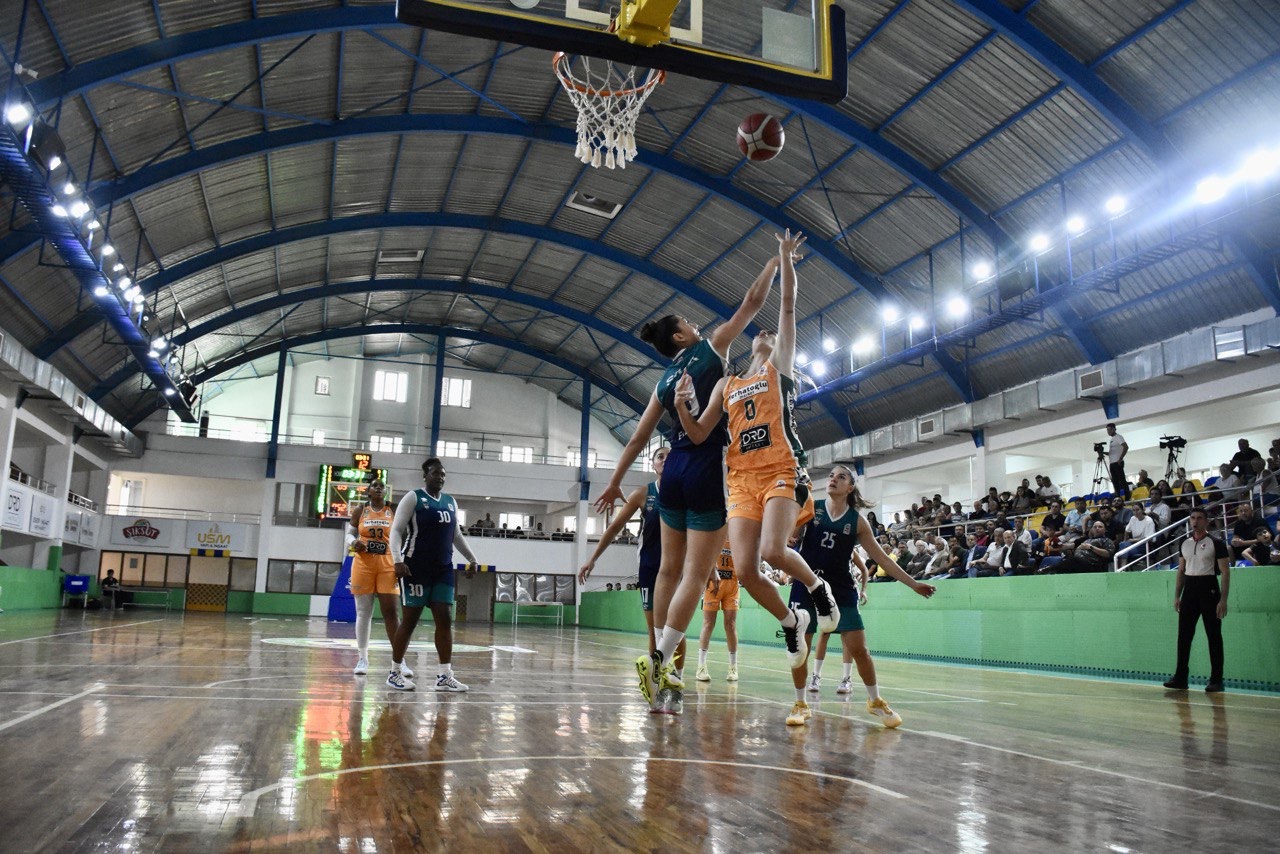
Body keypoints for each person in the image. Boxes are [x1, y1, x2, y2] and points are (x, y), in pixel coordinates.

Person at [593, 237, 782, 711]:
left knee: (667, 572)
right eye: (690, 323)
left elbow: (638, 440)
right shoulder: (710, 349)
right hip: (705, 464)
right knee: (696, 577)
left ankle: (657, 672)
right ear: (681, 336)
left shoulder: (662, 381)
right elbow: (752, 302)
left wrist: (616, 480)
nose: (699, 325)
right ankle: (658, 662)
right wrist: (775, 260)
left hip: (670, 469)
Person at [667, 229, 840, 698]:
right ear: (749, 345)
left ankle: (816, 588)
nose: (765, 333)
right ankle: (792, 620)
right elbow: (700, 433)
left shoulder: (777, 367)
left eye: (769, 334)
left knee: (771, 553)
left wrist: (785, 261)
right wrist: (683, 405)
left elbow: (785, 308)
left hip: (781, 467)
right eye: (759, 334)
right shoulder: (725, 384)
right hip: (740, 478)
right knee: (745, 570)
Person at [787, 465, 936, 727]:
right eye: (831, 475)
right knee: (801, 648)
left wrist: (913, 584)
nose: (833, 479)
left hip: (841, 589)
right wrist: (790, 533)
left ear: (850, 487)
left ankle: (874, 700)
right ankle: (800, 703)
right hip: (806, 584)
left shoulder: (857, 520)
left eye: (841, 477)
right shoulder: (811, 507)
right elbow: (790, 534)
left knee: (860, 650)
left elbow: (881, 559)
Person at [579, 445, 688, 711]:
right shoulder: (644, 494)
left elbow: (702, 534)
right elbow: (615, 527)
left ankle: (676, 681)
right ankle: (658, 684)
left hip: (678, 569)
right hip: (650, 569)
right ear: (653, 465)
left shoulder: (687, 493)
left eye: (669, 456)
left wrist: (710, 570)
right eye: (659, 456)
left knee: (674, 629)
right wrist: (593, 558)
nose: (665, 459)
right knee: (655, 630)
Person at [387, 458, 479, 692]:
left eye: (443, 474)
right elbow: (396, 531)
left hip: (443, 569)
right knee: (410, 621)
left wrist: (472, 558)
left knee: (445, 620)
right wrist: (397, 560)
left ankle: (445, 675)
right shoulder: (413, 498)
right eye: (436, 473)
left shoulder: (450, 502)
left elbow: (456, 535)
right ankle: (395, 672)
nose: (440, 477)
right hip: (414, 568)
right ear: (425, 476)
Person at [1163, 507, 1230, 692]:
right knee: (1183, 636)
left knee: (1213, 636)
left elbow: (1225, 572)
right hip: (1190, 591)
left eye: (1200, 518)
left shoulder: (1216, 543)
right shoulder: (1184, 543)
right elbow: (1181, 571)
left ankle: (1216, 679)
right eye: (1192, 518)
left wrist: (1223, 600)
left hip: (1209, 589)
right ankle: (1180, 678)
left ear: (1206, 521)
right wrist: (1177, 595)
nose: (1195, 521)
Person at [346, 479, 402, 678]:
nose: (379, 488)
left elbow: (404, 532)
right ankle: (362, 658)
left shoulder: (393, 510)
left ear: (385, 492)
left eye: (382, 486)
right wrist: (353, 542)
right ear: (368, 491)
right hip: (363, 564)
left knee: (392, 613)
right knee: (363, 612)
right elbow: (350, 533)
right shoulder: (360, 510)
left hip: (388, 563)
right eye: (375, 485)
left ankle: (399, 660)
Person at [695, 539, 740, 684]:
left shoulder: (737, 533)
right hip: (713, 582)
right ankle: (701, 666)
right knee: (708, 624)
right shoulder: (715, 530)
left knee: (731, 624)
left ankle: (733, 667)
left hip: (732, 584)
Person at [1049, 520, 1115, 573]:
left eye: (1100, 527)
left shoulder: (1107, 540)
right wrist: (1059, 547)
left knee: (1071, 562)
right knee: (1067, 561)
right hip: (1078, 563)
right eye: (1095, 527)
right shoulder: (1087, 539)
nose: (1097, 528)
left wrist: (1091, 547)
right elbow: (1070, 547)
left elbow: (1108, 554)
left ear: (1105, 530)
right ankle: (1051, 571)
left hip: (1092, 565)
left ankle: (1050, 569)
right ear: (1092, 529)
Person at [1106, 422, 1130, 499]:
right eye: (1107, 430)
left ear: (1114, 429)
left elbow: (1126, 447)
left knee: (1122, 481)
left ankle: (1127, 497)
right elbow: (1111, 453)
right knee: (1115, 481)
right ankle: (1118, 497)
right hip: (1112, 463)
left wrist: (1120, 458)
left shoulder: (1118, 437)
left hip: (1117, 462)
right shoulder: (1112, 439)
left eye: (1110, 429)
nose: (1108, 431)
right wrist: (1102, 452)